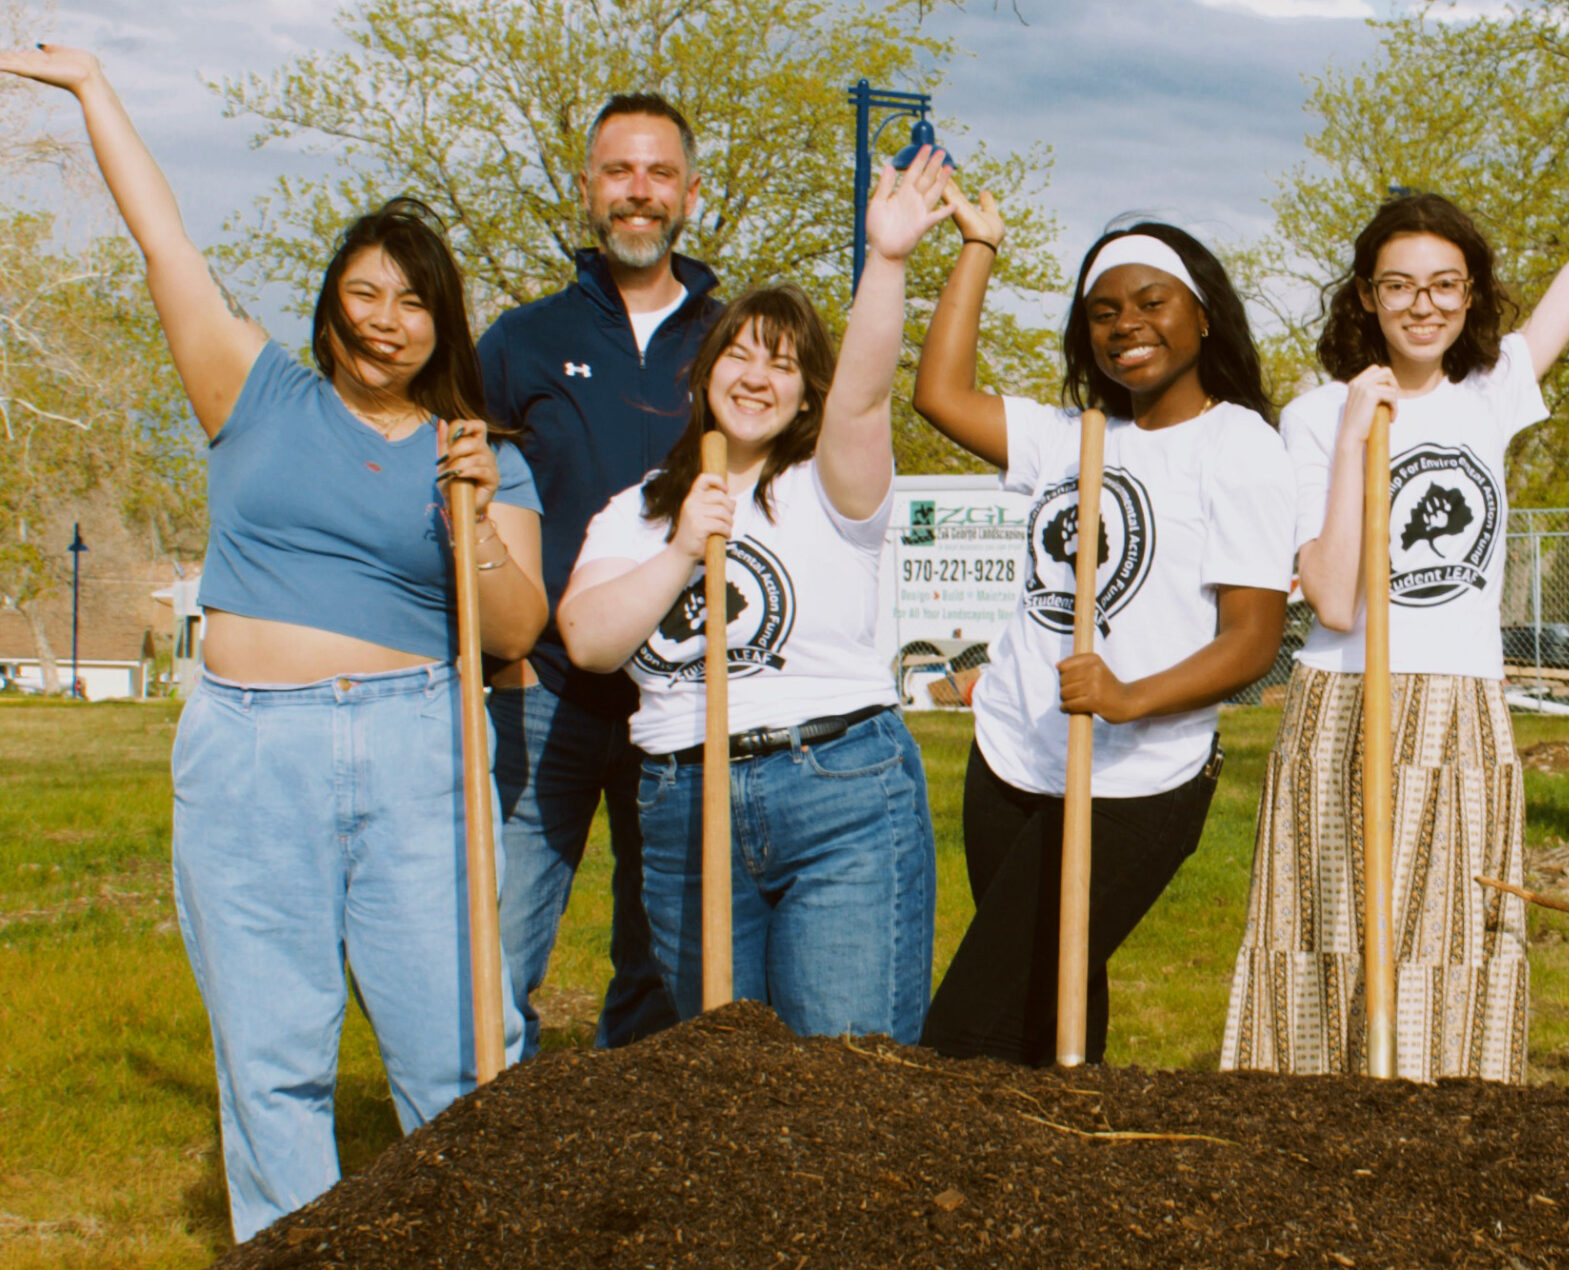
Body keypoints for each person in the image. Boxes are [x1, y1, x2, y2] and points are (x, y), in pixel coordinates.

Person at [0, 46, 543, 1239]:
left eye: (413, 300)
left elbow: (517, 631)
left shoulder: (480, 452)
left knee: (458, 1049)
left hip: (413, 751)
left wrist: (474, 521)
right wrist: (95, 90)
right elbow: (166, 246)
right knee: (271, 1056)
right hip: (249, 752)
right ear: (329, 300)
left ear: (440, 321)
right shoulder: (253, 391)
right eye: (365, 291)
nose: (386, 320)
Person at [1219, 93, 1569, 1082]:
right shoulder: (1321, 415)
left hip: (1464, 702)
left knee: (1452, 923)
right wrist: (1361, 434)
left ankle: (1445, 1107)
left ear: (1472, 293)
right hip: (1344, 703)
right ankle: (1314, 1104)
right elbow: (1331, 599)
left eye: (1446, 284)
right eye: (1398, 285)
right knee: (1330, 923)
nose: (1423, 304)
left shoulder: (1492, 394)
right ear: (1364, 296)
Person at [554, 155, 950, 1041]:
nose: (757, 377)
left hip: (838, 789)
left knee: (847, 1080)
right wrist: (684, 552)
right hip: (684, 803)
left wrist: (886, 263)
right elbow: (588, 641)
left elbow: (867, 393)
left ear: (806, 391)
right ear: (705, 374)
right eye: (739, 354)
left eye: (784, 364)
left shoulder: (830, 488)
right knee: (730, 1093)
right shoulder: (641, 509)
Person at [912, 196, 1298, 1067]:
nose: (1127, 323)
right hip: (1012, 755)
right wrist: (978, 245)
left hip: (1138, 781)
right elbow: (937, 393)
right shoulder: (1068, 438)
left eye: (1151, 301)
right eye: (1103, 310)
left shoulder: (1238, 447)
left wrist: (1129, 697)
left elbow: (1251, 639)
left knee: (970, 1029)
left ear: (1202, 313)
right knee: (1053, 1007)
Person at [479, 92, 722, 1053]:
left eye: (660, 173)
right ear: (586, 189)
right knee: (496, 937)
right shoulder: (520, 341)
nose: (639, 192)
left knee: (661, 956)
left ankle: (630, 1156)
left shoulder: (733, 342)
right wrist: (499, 657)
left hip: (683, 694)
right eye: (619, 171)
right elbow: (468, 492)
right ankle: (478, 1130)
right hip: (545, 690)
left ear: (689, 194)